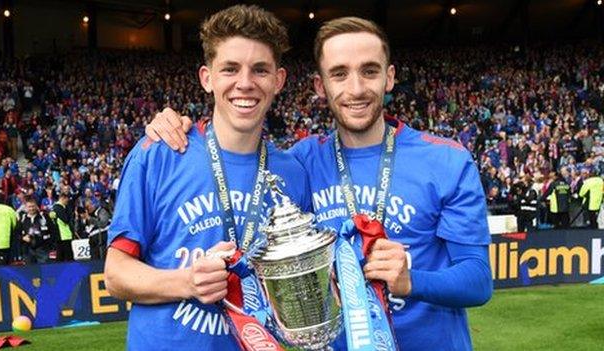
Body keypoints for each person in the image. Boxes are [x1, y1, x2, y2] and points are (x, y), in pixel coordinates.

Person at [147, 16, 493, 351]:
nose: (356, 89)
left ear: (389, 78)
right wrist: (173, 124)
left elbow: (477, 281)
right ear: (320, 85)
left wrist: (411, 281)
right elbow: (233, 149)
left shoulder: (447, 160)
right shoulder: (300, 163)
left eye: (369, 71)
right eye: (339, 74)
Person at [104, 5, 310, 350]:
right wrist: (188, 281)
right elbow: (116, 274)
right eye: (230, 69)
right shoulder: (159, 153)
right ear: (207, 77)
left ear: (279, 80)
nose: (245, 83)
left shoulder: (292, 173)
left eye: (260, 70)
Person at [17, 196, 57, 264]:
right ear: (26, 207)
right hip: (28, 250)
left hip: (43, 250)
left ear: (36, 206)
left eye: (33, 206)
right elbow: (16, 233)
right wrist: (23, 238)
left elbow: (53, 230)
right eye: (29, 206)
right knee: (30, 272)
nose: (31, 208)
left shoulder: (44, 216)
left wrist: (50, 245)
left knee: (44, 272)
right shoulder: (23, 219)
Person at [50, 192, 75, 261]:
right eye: (67, 199)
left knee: (62, 256)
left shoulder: (56, 207)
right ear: (63, 198)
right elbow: (66, 219)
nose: (68, 201)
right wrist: (69, 212)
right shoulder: (58, 208)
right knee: (66, 257)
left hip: (63, 235)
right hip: (63, 235)